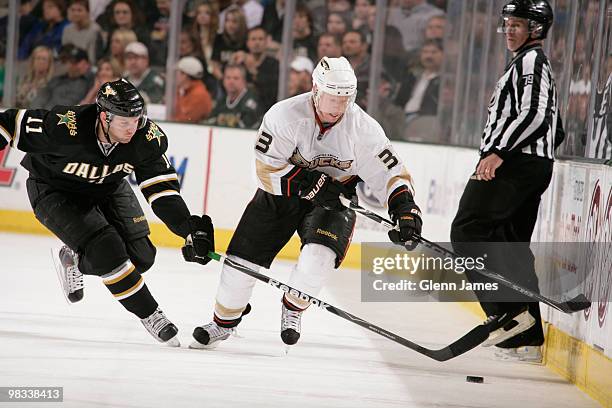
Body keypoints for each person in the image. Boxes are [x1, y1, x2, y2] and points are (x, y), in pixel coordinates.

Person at [190, 56, 422, 349]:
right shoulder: (284, 116)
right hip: (281, 196)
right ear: (315, 89)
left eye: (345, 98)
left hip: (334, 201)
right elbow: (264, 169)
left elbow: (391, 172)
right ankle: (223, 323)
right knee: (239, 265)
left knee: (318, 260)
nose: (338, 107)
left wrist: (405, 210)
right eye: (332, 97)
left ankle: (293, 304)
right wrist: (310, 184)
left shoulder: (363, 128)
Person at [0, 79, 215, 346]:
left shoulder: (146, 138)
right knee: (107, 250)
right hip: (54, 190)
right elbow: (7, 122)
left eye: (136, 120)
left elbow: (161, 190)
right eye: (124, 122)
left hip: (108, 187)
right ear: (104, 116)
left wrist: (188, 228)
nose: (131, 128)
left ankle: (74, 258)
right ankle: (152, 315)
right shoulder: (65, 125)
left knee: (143, 257)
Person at [450, 0, 565, 355]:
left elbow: (537, 115)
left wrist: (500, 151)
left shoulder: (531, 62)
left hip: (514, 164)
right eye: (508, 23)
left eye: (520, 24)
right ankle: (526, 337)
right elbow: (555, 127)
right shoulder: (525, 64)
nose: (510, 30)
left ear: (538, 28)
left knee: (467, 231)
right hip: (528, 164)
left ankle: (506, 315)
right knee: (511, 245)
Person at [206, 64, 260, 128]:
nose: (231, 81)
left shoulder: (251, 100)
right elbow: (209, 122)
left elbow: (247, 126)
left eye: (236, 78)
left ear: (244, 81)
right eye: (228, 78)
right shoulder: (222, 101)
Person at [172, 56, 213, 123]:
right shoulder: (181, 90)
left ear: (184, 75)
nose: (175, 76)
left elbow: (187, 120)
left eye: (178, 72)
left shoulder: (199, 95)